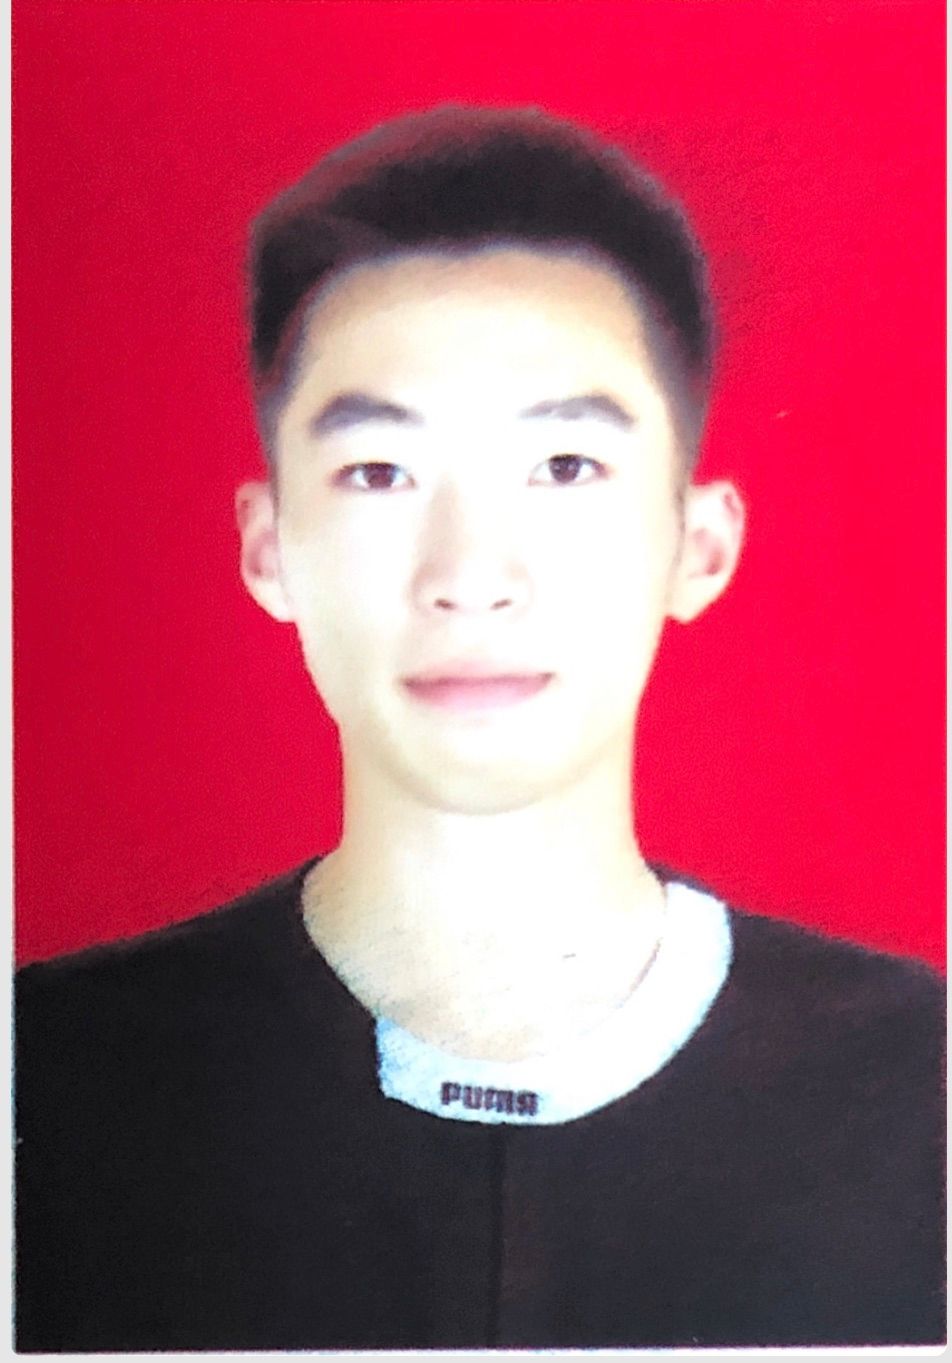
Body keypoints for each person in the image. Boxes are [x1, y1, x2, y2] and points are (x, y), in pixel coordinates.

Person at [14, 105, 944, 1351]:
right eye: (379, 474)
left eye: (563, 468)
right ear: (269, 548)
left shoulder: (920, 1087)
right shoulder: (47, 1081)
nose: (468, 576)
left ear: (699, 542)